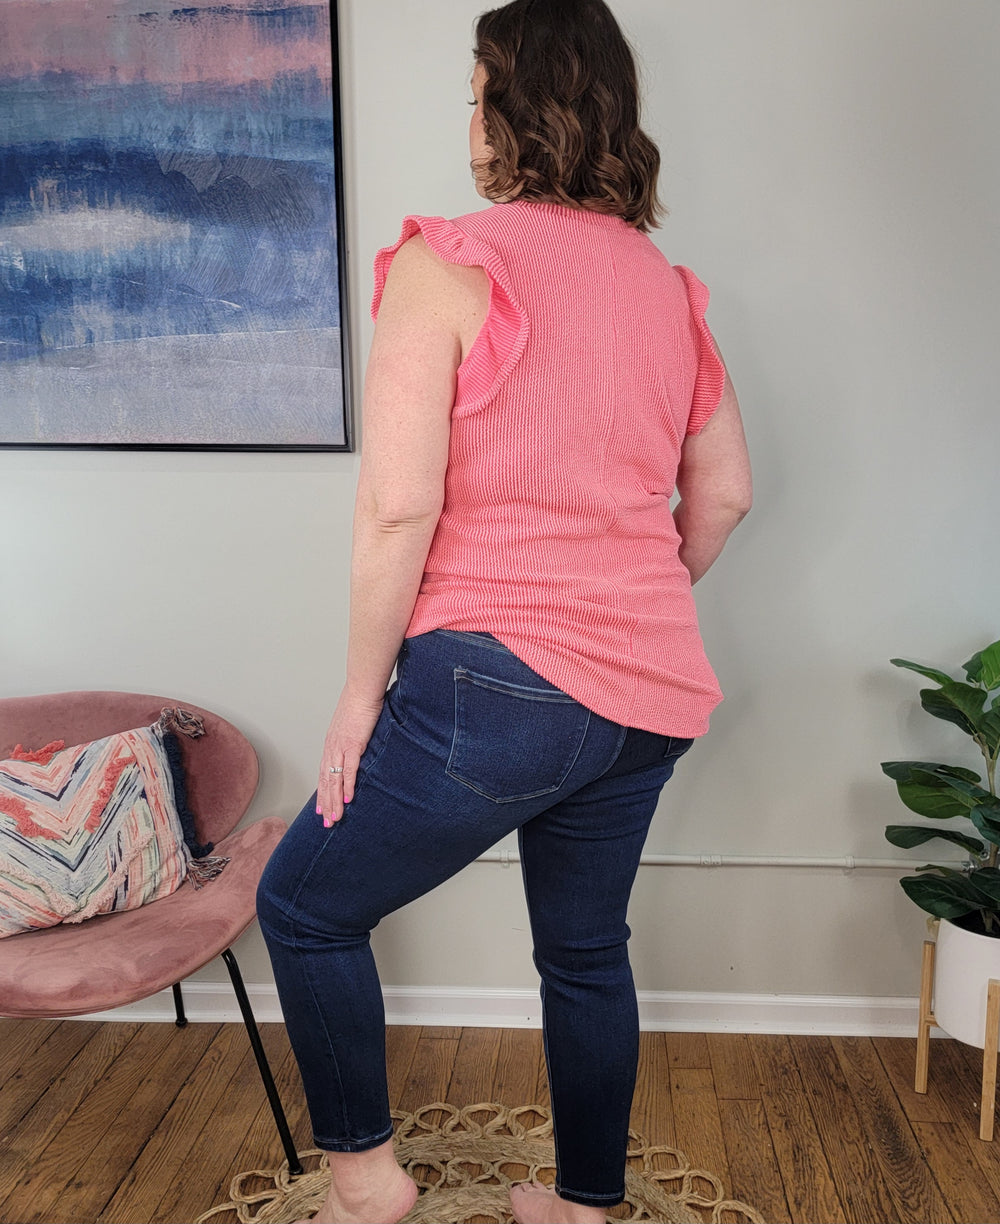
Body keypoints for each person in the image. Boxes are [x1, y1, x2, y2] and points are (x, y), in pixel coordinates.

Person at [257, 0, 752, 1220]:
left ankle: (367, 1181)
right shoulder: (665, 286)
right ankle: (583, 1203)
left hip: (497, 691)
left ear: (513, 107)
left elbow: (394, 510)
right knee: (584, 953)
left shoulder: (448, 263)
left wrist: (358, 697)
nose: (465, 112)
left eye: (476, 86)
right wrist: (627, 605)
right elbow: (728, 493)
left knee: (302, 908)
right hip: (650, 693)